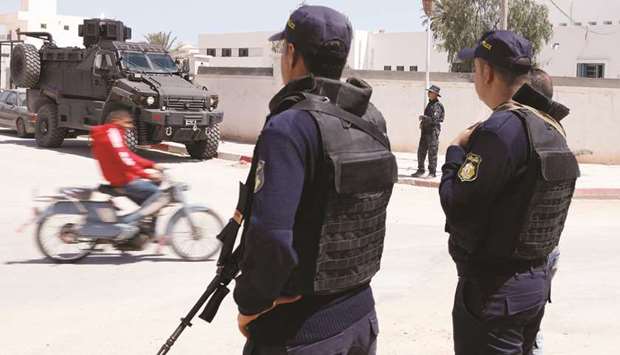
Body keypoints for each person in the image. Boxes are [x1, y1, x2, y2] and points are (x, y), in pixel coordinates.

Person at [232, 5, 397, 355]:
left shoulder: (289, 125)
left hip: (298, 331)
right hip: (360, 318)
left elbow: (272, 238)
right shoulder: (371, 118)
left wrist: (250, 305)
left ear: (292, 52)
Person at [439, 31, 580, 355]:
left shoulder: (500, 129)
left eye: (474, 68)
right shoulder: (549, 126)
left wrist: (454, 152)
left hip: (495, 294)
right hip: (533, 284)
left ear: (486, 72)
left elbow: (455, 203)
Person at [516, 68, 566, 355]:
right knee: (533, 329)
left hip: (525, 253)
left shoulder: (523, 133)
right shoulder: (556, 132)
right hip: (548, 246)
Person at [91, 110, 162, 205]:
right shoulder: (113, 134)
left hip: (119, 178)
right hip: (125, 181)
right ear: (116, 120)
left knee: (149, 202)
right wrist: (147, 175)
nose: (130, 126)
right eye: (127, 122)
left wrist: (152, 165)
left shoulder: (110, 134)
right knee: (159, 195)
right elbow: (125, 159)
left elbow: (129, 155)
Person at [412, 85, 445, 178]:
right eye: (428, 92)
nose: (428, 93)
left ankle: (432, 172)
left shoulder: (437, 106)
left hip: (432, 133)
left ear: (435, 94)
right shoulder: (430, 104)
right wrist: (423, 123)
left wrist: (424, 118)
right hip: (425, 131)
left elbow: (435, 119)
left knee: (432, 153)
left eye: (430, 92)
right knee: (421, 152)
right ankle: (420, 170)